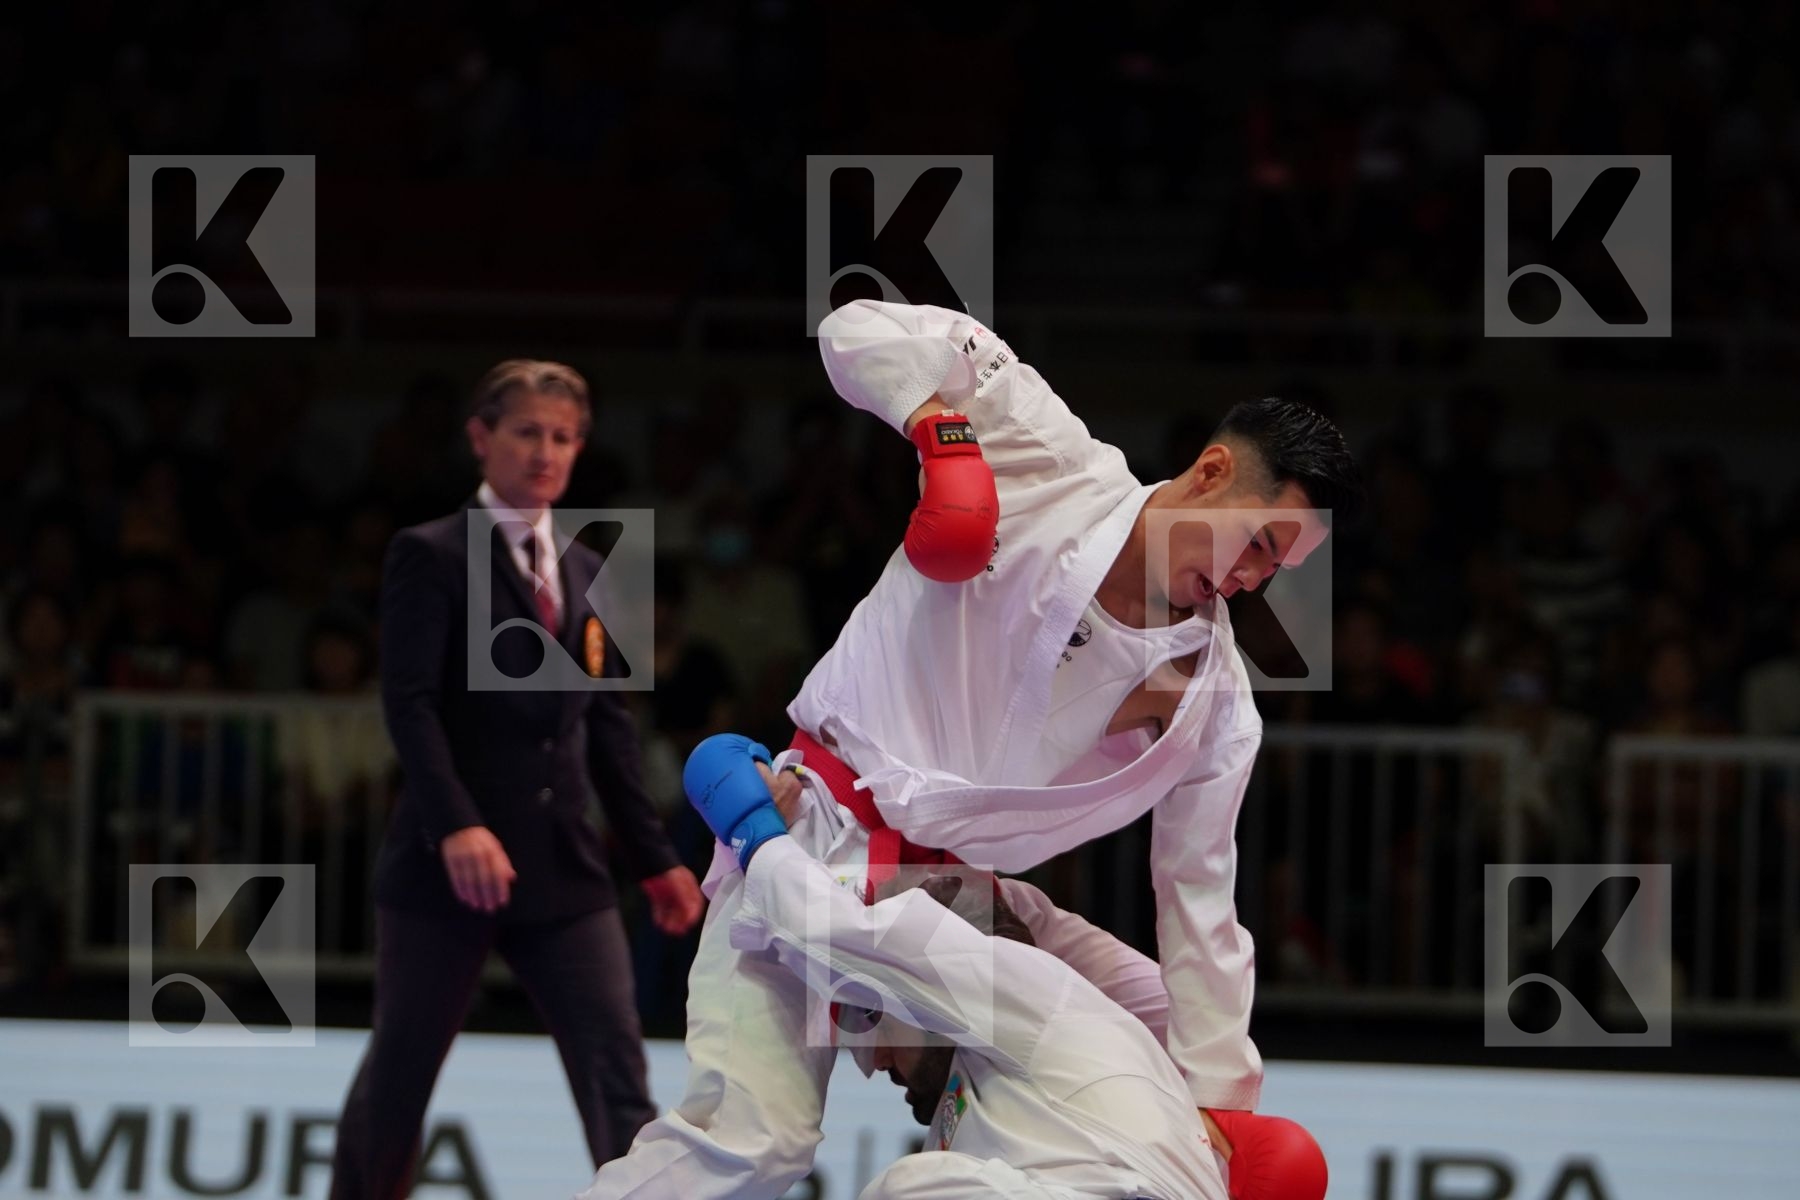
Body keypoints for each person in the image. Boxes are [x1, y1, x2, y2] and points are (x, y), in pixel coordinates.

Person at [586, 301, 1358, 1199]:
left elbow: (1198, 893)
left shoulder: (1215, 701)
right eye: (1260, 542)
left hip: (951, 896)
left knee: (1160, 1031)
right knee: (758, 1145)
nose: (1252, 578)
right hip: (808, 821)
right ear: (1213, 471)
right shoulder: (1049, 461)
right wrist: (942, 437)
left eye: (1278, 569)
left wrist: (1222, 1111)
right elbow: (856, 326)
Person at [331, 359, 704, 1200]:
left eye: (564, 437)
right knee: (400, 1079)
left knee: (619, 1079)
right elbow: (411, 704)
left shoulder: (590, 570)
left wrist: (654, 858)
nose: (546, 452)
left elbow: (608, 725)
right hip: (444, 866)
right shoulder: (428, 554)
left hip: (565, 869)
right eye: (528, 432)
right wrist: (456, 823)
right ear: (481, 437)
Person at [674, 733, 1252, 1200]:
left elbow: (826, 928)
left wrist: (754, 831)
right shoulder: (1002, 1096)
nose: (873, 1062)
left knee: (909, 1188)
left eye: (873, 1014)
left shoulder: (1020, 983)